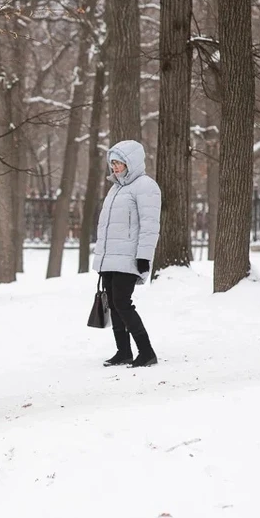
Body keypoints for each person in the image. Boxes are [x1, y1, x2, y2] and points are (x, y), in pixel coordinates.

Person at [92, 140, 162, 368]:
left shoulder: (146, 186)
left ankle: (146, 351)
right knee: (113, 304)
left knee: (123, 303)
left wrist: (144, 256)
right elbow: (107, 226)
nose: (115, 167)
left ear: (131, 163)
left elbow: (150, 225)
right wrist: (101, 258)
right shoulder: (116, 188)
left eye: (119, 163)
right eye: (112, 162)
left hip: (129, 258)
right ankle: (123, 352)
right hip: (111, 258)